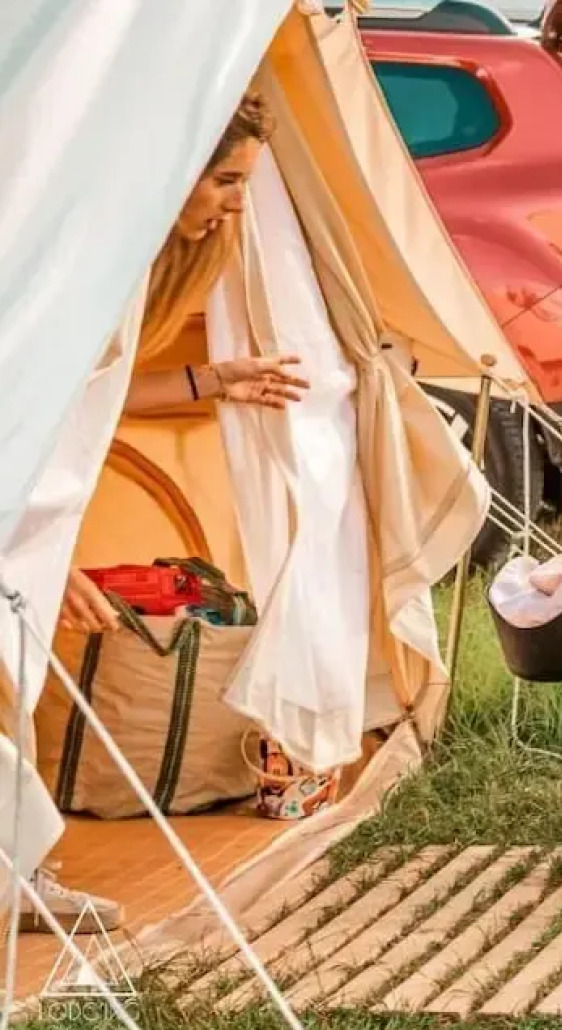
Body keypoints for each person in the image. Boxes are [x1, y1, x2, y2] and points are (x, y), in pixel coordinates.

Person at [22, 93, 305, 933]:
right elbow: (22, 416)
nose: (235, 202)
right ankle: (25, 880)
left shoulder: (122, 270)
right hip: (16, 515)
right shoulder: (67, 267)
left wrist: (215, 381)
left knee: (14, 697)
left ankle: (24, 878)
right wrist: (35, 554)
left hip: (33, 520)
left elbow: (91, 399)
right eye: (223, 179)